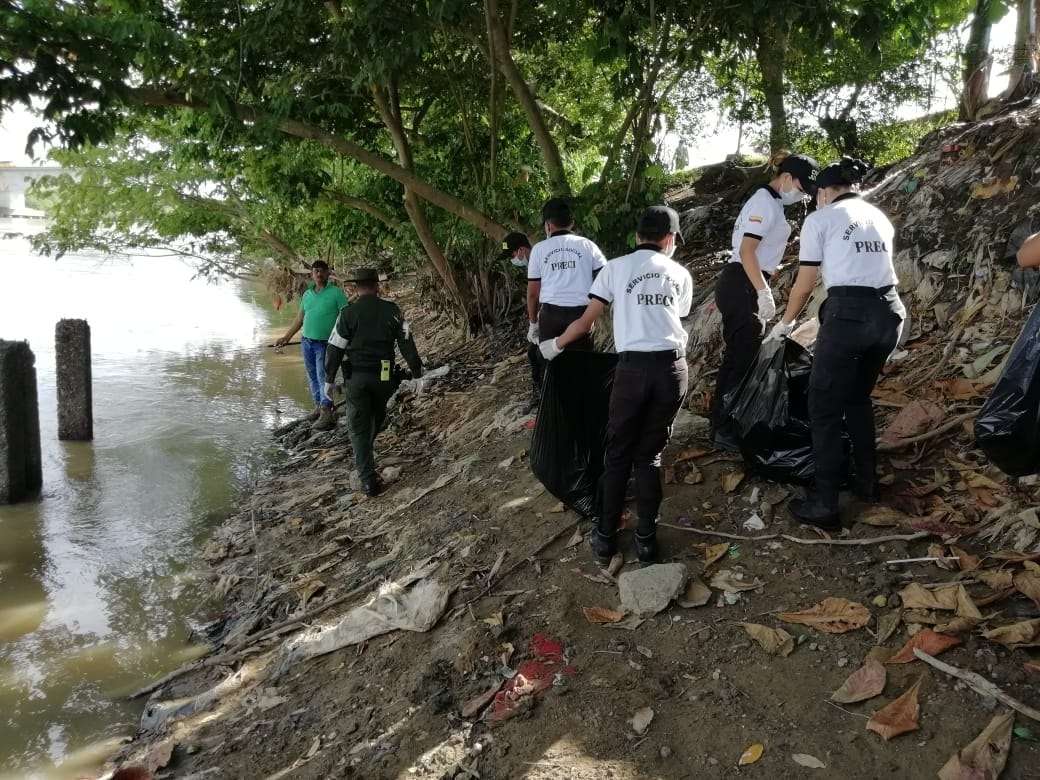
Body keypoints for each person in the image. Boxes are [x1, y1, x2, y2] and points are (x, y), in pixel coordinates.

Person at [540, 205, 693, 564]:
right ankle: (646, 541)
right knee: (650, 454)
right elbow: (678, 315)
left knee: (619, 453)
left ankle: (606, 537)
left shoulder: (615, 268)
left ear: (637, 236)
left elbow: (585, 322)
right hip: (672, 372)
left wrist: (555, 345)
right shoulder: (680, 273)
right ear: (669, 239)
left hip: (632, 373)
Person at [768, 157, 906, 530]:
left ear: (827, 192)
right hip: (890, 313)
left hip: (849, 316)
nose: (816, 200)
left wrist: (785, 323)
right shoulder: (879, 217)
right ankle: (867, 483)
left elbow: (806, 281)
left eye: (817, 195)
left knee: (823, 407)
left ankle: (826, 503)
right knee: (857, 398)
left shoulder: (821, 219)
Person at [712, 154, 820, 451]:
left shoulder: (771, 204)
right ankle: (723, 427)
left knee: (742, 355)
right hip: (742, 281)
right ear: (786, 178)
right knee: (741, 357)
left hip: (746, 281)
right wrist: (762, 291)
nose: (801, 195)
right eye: (800, 187)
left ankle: (727, 422)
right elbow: (747, 251)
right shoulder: (764, 201)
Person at [324, 269, 422, 497]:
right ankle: (365, 458)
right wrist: (417, 373)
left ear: (355, 288)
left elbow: (334, 349)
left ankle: (368, 480)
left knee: (358, 429)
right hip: (385, 378)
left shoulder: (348, 313)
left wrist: (328, 380)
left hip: (357, 379)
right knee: (376, 418)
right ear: (377, 286)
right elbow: (407, 341)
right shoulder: (393, 311)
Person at [527, 198, 607, 358]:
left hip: (551, 317)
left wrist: (533, 323)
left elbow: (533, 294)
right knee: (581, 367)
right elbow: (606, 279)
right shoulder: (588, 245)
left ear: (548, 225)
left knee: (551, 369)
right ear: (571, 223)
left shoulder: (539, 249)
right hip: (582, 317)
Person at [275, 261, 349, 430]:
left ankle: (327, 411)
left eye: (322, 271)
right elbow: (300, 319)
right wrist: (286, 337)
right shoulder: (307, 294)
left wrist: (346, 341)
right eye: (316, 271)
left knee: (324, 377)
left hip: (326, 344)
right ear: (311, 274)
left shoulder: (336, 293)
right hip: (307, 342)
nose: (319, 274)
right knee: (312, 377)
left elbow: (346, 317)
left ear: (328, 273)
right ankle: (318, 406)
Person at [500, 231, 542, 409]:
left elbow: (532, 295)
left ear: (522, 250)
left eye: (512, 254)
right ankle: (540, 394)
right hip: (549, 313)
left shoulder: (537, 261)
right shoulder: (536, 260)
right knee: (534, 354)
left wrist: (534, 324)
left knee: (537, 355)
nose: (512, 259)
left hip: (556, 314)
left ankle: (543, 396)